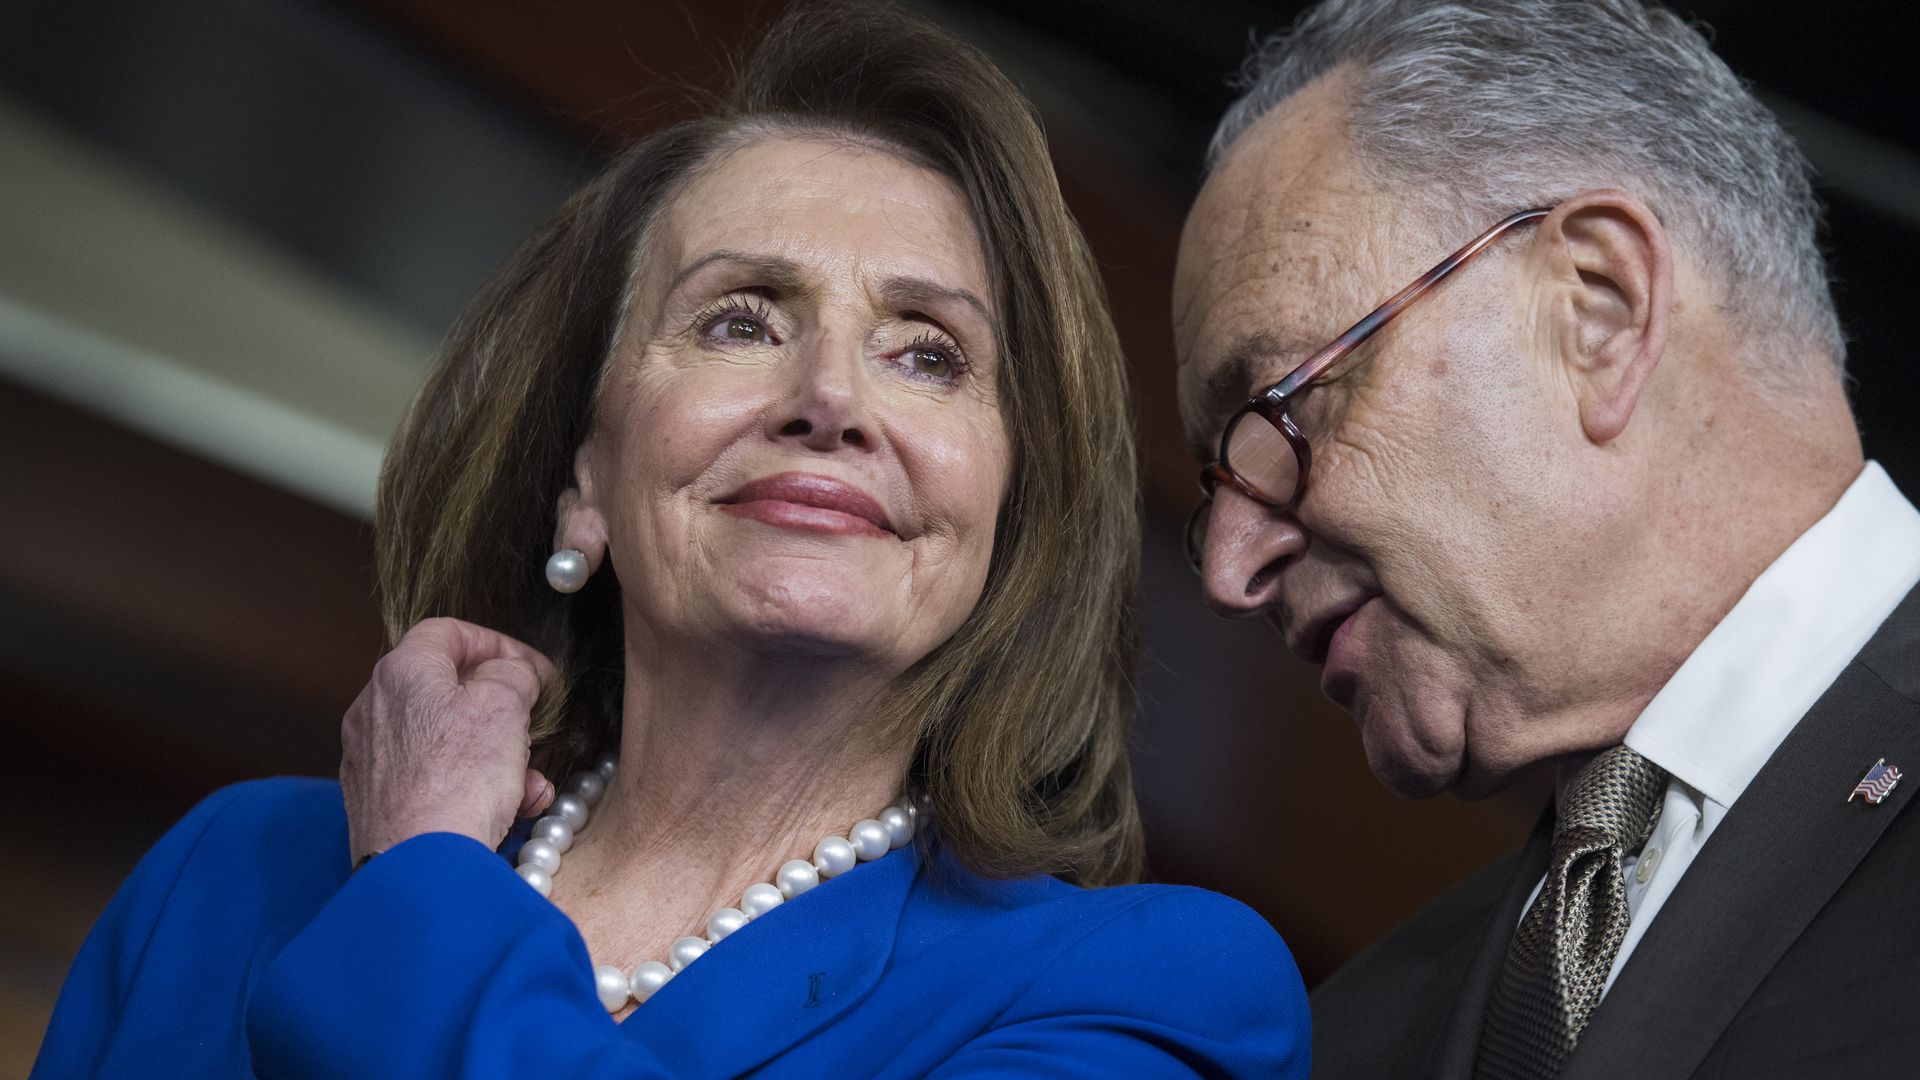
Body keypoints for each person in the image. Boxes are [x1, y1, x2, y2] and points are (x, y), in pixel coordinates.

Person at [33, 5, 1309, 1078]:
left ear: (1008, 519)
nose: (832, 399)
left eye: (930, 354)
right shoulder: (231, 878)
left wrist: (422, 881)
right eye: (739, 322)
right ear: (584, 476)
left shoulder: (1149, 994)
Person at [1176, 0, 1919, 1077]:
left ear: (1599, 309)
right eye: (1215, 486)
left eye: (1280, 416)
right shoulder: (1353, 1036)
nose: (1228, 566)